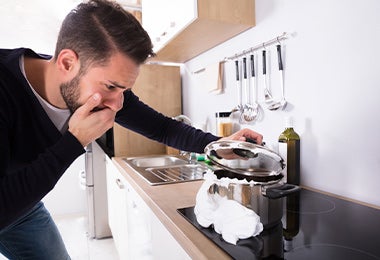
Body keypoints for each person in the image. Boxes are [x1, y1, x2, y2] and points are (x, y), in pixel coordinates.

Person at [0, 0, 263, 259]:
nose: (117, 105)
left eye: (124, 90)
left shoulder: (99, 86)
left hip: (25, 205)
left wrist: (219, 146)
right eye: (111, 87)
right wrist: (74, 141)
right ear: (68, 63)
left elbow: (162, 128)